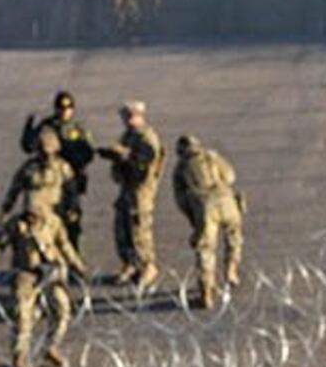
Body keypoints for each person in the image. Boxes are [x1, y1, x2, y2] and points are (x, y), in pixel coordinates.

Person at [0, 200, 79, 367]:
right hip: (26, 275)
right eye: (29, 215)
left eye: (35, 217)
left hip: (51, 273)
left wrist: (78, 265)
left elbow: (64, 245)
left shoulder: (53, 222)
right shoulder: (15, 225)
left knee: (62, 309)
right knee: (23, 318)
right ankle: (20, 361)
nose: (31, 220)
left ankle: (51, 346)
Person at [174, 134, 246, 311]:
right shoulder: (212, 156)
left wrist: (193, 220)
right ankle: (232, 269)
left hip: (205, 207)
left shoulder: (181, 168)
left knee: (205, 249)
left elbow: (181, 199)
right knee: (234, 236)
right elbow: (230, 176)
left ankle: (206, 292)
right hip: (227, 201)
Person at [23, 89, 96, 249]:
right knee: (47, 218)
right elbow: (28, 146)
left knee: (72, 217)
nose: (65, 112)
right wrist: (28, 128)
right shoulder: (47, 126)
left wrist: (74, 156)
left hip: (71, 179)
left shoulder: (78, 129)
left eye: (68, 108)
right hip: (49, 180)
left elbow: (89, 153)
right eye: (61, 108)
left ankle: (74, 255)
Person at [104, 101, 164, 289]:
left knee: (139, 229)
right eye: (125, 116)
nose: (128, 120)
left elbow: (146, 160)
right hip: (127, 188)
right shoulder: (128, 136)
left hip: (141, 191)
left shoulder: (146, 137)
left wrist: (124, 154)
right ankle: (130, 263)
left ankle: (148, 265)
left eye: (131, 115)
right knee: (122, 228)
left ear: (140, 115)